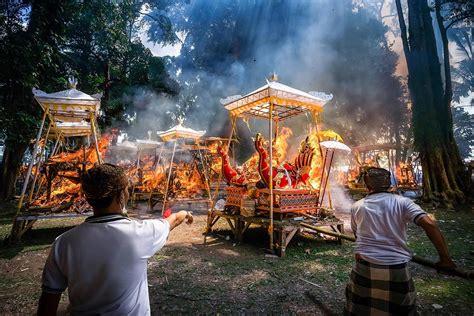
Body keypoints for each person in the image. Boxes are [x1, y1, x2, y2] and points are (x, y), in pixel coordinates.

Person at [37, 163, 193, 315]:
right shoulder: (141, 233)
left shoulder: (63, 243)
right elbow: (172, 221)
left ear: (88, 198)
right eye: (127, 190)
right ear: (121, 196)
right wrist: (185, 213)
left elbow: (48, 304)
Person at [345, 167, 455, 315]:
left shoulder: (356, 207)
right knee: (400, 311)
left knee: (361, 310)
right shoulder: (404, 203)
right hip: (397, 267)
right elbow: (429, 225)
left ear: (367, 186)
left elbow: (358, 237)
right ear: (389, 183)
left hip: (365, 265)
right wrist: (445, 259)